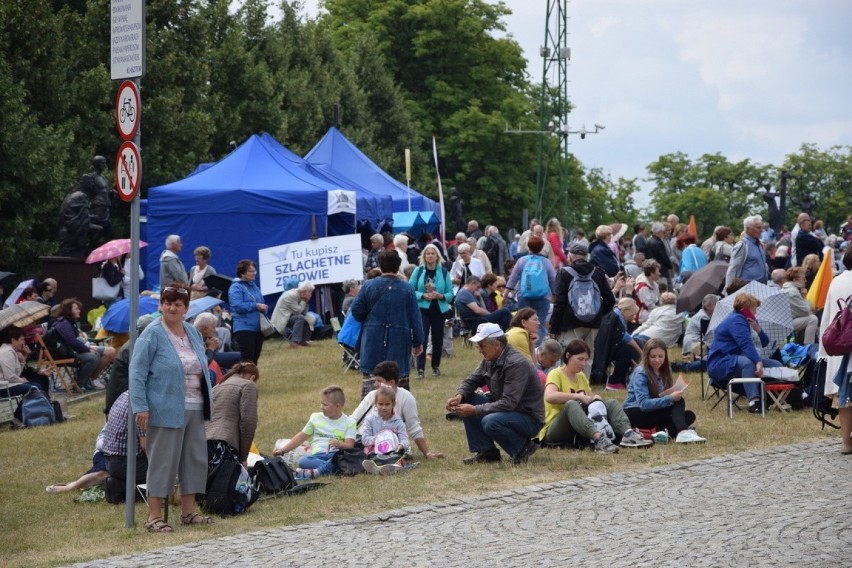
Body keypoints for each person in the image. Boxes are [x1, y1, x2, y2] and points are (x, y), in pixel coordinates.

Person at [130, 283, 213, 532]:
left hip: (196, 406)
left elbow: (201, 365)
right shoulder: (152, 333)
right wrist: (140, 406)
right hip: (164, 408)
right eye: (167, 303)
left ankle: (188, 512)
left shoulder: (192, 331)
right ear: (161, 305)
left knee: (194, 460)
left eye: (178, 304)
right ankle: (154, 516)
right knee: (163, 462)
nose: (172, 307)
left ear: (186, 308)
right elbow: (137, 372)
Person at [445, 323, 544, 465]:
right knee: (468, 399)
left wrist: (475, 410)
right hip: (512, 412)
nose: (479, 350)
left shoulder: (515, 363)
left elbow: (509, 403)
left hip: (529, 418)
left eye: (482, 346)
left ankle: (522, 449)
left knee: (490, 421)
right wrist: (459, 396)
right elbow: (473, 379)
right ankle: (486, 452)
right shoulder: (491, 358)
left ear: (497, 345)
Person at [538, 340, 650, 452]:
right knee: (571, 405)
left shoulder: (581, 376)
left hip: (578, 426)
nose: (583, 363)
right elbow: (549, 396)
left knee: (611, 403)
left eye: (586, 360)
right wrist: (578, 396)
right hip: (554, 429)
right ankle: (598, 439)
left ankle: (627, 433)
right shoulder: (556, 373)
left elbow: (589, 398)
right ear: (568, 356)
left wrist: (596, 398)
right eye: (580, 359)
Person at [350, 250, 425, 396]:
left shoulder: (368, 286)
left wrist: (370, 320)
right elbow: (415, 318)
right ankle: (398, 412)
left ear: (379, 265)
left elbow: (356, 310)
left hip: (372, 338)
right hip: (399, 339)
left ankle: (370, 411)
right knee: (397, 379)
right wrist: (417, 341)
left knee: (372, 379)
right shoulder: (407, 288)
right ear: (398, 266)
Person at [706, 293, 783, 414]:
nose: (756, 312)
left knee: (776, 364)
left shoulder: (747, 320)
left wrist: (758, 329)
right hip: (721, 362)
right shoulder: (736, 320)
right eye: (754, 309)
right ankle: (754, 402)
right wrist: (758, 361)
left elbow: (765, 342)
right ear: (745, 309)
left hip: (735, 359)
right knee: (748, 363)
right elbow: (745, 344)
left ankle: (782, 397)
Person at [352, 360, 444, 459]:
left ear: (391, 382)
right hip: (367, 443)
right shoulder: (372, 395)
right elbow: (353, 420)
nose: (375, 384)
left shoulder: (406, 398)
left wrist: (427, 453)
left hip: (393, 445)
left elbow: (414, 429)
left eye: (379, 381)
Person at [550, 242, 615, 377]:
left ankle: (568, 386)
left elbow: (560, 302)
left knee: (569, 355)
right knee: (587, 357)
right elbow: (610, 299)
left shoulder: (564, 272)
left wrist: (554, 326)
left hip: (570, 322)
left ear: (570, 255)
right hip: (592, 323)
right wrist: (598, 314)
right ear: (586, 256)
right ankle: (584, 388)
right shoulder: (598, 272)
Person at [623, 338, 703, 443]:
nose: (657, 360)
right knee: (677, 401)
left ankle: (661, 434)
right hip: (635, 411)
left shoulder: (664, 370)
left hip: (652, 411)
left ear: (665, 356)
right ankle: (683, 433)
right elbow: (643, 404)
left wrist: (670, 392)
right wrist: (670, 398)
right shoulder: (641, 373)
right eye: (653, 356)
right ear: (646, 356)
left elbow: (657, 397)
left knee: (689, 415)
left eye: (660, 356)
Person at [271, 385, 357, 479]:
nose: (321, 407)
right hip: (317, 456)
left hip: (335, 456)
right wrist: (283, 450)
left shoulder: (350, 422)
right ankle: (332, 469)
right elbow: (301, 437)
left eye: (325, 405)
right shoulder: (316, 418)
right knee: (303, 461)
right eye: (321, 403)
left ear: (337, 406)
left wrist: (340, 444)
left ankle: (316, 472)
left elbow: (349, 445)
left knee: (338, 461)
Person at [819, 247, 852, 454]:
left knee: (844, 398)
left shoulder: (837, 281)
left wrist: (823, 351)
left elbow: (828, 316)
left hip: (840, 347)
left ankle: (846, 442)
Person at [50, 298, 116, 391]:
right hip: (66, 353)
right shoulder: (64, 323)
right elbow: (72, 342)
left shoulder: (70, 322)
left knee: (106, 352)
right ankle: (80, 382)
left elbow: (77, 340)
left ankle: (90, 379)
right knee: (93, 356)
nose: (79, 310)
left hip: (75, 349)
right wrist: (87, 349)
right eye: (76, 309)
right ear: (69, 311)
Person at [409, 244, 454, 379]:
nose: (430, 256)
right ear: (424, 256)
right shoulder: (418, 270)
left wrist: (441, 296)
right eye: (427, 253)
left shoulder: (444, 272)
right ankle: (420, 369)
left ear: (437, 256)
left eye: (432, 253)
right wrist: (422, 295)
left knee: (437, 338)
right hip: (422, 308)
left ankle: (435, 366)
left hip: (438, 309)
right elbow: (410, 289)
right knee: (421, 337)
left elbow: (450, 293)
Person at [205, 361, 259, 468]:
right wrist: (243, 457)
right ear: (252, 377)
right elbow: (248, 422)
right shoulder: (248, 385)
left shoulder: (216, 387)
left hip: (203, 442)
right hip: (224, 443)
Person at [505, 235, 555, 344]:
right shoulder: (546, 262)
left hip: (524, 296)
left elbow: (513, 278)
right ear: (542, 248)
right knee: (540, 325)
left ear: (528, 247)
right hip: (543, 298)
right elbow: (553, 280)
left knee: (523, 323)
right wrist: (554, 295)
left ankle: (524, 346)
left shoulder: (522, 261)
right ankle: (535, 347)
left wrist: (505, 293)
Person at [102, 390, 149, 498]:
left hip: (112, 459)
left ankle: (120, 485)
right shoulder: (142, 403)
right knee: (168, 474)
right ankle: (120, 490)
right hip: (126, 462)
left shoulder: (126, 394)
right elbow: (146, 445)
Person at [46, 426, 110, 494]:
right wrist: (112, 449)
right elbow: (101, 438)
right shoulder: (116, 417)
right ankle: (71, 487)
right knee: (103, 473)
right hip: (105, 451)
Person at [228, 259, 268, 364]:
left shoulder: (254, 286)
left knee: (254, 361)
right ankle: (244, 380)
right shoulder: (235, 287)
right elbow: (237, 306)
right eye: (250, 271)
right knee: (247, 361)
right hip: (244, 328)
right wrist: (256, 306)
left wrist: (263, 308)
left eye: (254, 271)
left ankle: (250, 380)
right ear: (242, 272)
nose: (254, 273)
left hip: (258, 328)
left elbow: (260, 302)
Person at [0, 326, 51, 395]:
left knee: (39, 382)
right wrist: (22, 380)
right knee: (36, 386)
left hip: (10, 383)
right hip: (4, 387)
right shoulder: (7, 352)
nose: (24, 343)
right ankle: (43, 404)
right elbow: (10, 376)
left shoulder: (10, 351)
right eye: (22, 340)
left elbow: (17, 373)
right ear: (13, 340)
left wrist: (23, 360)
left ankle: (45, 403)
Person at [270, 282, 316, 348]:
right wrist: (304, 301)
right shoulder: (291, 295)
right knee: (300, 318)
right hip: (282, 319)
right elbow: (298, 312)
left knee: (310, 318)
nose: (310, 294)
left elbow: (304, 313)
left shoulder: (300, 295)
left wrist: (306, 301)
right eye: (310, 292)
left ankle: (303, 341)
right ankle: (295, 343)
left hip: (290, 316)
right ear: (303, 291)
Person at [726, 215, 768, 287]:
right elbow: (733, 268)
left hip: (761, 287)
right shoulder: (742, 245)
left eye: (761, 227)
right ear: (748, 229)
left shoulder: (759, 243)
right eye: (758, 228)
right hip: (748, 288)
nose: (761, 230)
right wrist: (729, 288)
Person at [782, 267, 819, 344]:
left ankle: (802, 344)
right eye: (803, 278)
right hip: (787, 323)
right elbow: (806, 310)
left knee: (809, 317)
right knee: (812, 319)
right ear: (795, 279)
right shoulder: (793, 291)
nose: (805, 280)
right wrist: (804, 297)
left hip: (787, 321)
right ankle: (809, 346)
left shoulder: (788, 288)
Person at [644, 222, 676, 290]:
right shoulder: (658, 243)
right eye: (662, 231)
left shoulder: (649, 241)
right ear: (659, 231)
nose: (663, 233)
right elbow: (664, 257)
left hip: (652, 270)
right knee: (663, 291)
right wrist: (670, 265)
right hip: (661, 271)